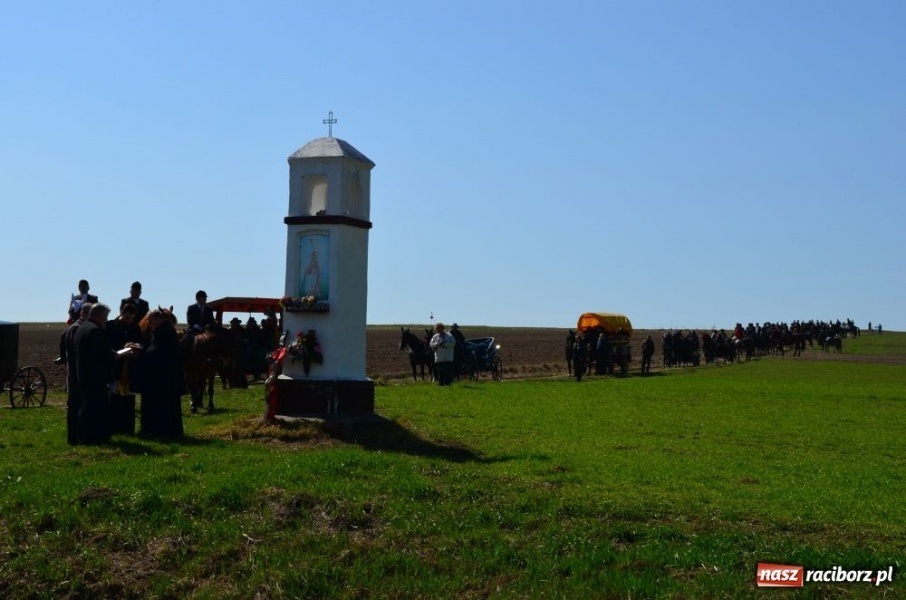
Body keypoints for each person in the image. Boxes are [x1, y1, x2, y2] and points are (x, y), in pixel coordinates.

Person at [136, 309, 184, 438]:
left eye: (151, 321)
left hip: (163, 377)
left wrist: (143, 353)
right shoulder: (158, 331)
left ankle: (162, 431)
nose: (149, 324)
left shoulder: (167, 331)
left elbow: (159, 352)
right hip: (159, 376)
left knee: (164, 407)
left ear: (159, 318)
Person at [73, 303, 115, 444]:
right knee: (96, 409)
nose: (106, 320)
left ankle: (84, 437)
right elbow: (103, 354)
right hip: (96, 377)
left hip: (84, 376)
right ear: (98, 315)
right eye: (105, 316)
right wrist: (117, 355)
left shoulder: (82, 328)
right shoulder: (96, 331)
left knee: (85, 407)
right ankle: (95, 437)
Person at [106, 303, 143, 435]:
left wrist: (135, 346)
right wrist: (122, 347)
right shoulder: (110, 326)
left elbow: (140, 342)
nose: (129, 320)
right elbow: (107, 345)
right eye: (127, 317)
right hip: (116, 368)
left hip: (129, 369)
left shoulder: (135, 328)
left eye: (131, 318)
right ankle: (114, 427)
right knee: (115, 398)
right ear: (121, 313)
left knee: (128, 400)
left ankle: (128, 428)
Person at [60, 302, 92, 444]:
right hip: (76, 375)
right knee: (75, 407)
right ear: (85, 314)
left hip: (77, 374)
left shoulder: (76, 327)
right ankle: (74, 438)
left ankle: (78, 436)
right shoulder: (76, 329)